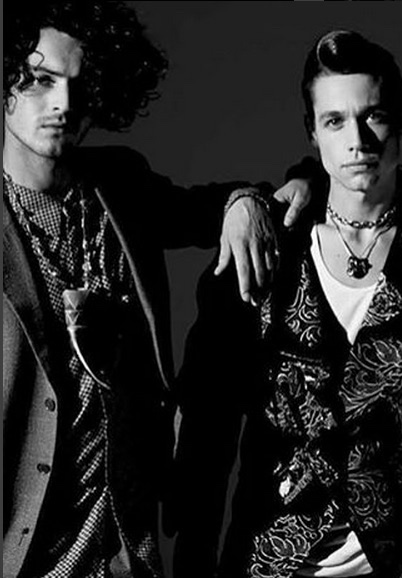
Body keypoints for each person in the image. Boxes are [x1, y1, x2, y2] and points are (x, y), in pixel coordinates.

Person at [3, 2, 308, 576]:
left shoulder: (120, 183)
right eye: (40, 80)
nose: (63, 103)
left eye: (80, 84)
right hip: (24, 551)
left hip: (127, 545)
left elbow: (205, 207)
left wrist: (243, 201)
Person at [175, 30, 402, 578]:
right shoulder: (267, 244)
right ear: (312, 132)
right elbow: (208, 433)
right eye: (335, 121)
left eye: (374, 116)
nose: (358, 140)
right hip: (270, 556)